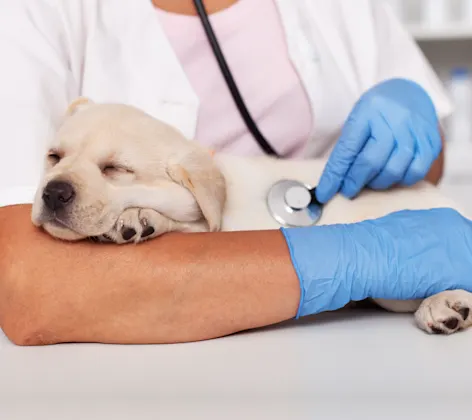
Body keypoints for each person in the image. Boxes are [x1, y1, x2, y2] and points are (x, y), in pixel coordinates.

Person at [0, 0, 469, 346]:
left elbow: (426, 165)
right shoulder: (36, 12)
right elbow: (30, 289)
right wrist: (353, 257)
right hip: (156, 352)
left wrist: (409, 126)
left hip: (349, 336)